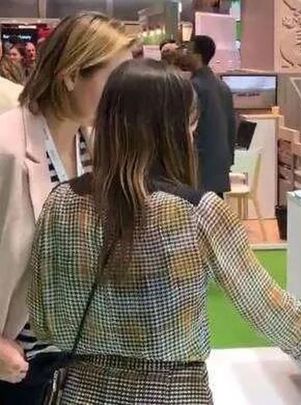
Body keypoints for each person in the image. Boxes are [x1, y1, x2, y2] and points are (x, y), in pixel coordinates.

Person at [27, 58, 301, 404]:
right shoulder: (197, 212)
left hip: (79, 390)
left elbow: (42, 318)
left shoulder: (61, 201)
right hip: (171, 394)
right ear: (179, 127)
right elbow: (271, 314)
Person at [0, 12, 132, 403]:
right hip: (19, 364)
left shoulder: (96, 144)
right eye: (114, 81)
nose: (122, 96)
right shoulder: (7, 148)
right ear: (72, 75)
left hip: (83, 356)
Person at [186, 35, 236, 196]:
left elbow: (188, 129)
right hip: (220, 165)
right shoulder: (223, 87)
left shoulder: (193, 87)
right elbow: (231, 128)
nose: (185, 55)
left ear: (197, 56)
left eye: (188, 51)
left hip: (199, 165)